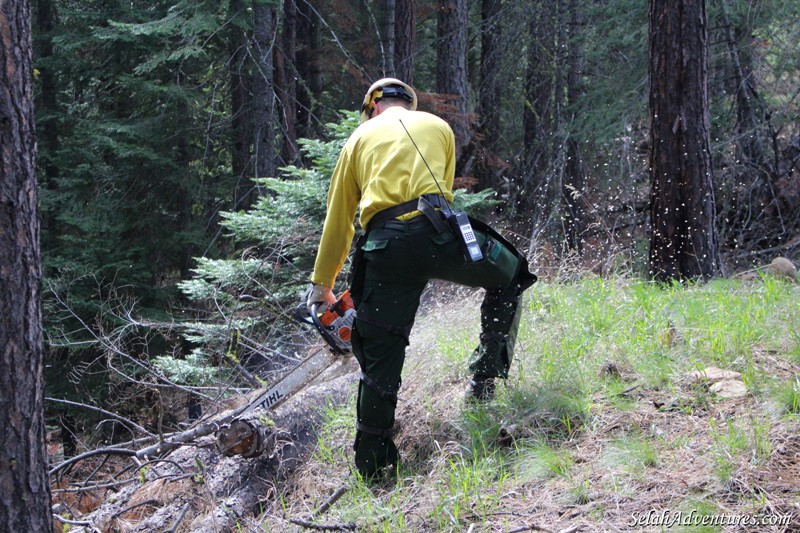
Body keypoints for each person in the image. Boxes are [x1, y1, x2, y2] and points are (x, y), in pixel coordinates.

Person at [305, 78, 536, 477]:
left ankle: (375, 471)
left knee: (379, 361)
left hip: (386, 247)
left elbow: (339, 220)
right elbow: (442, 194)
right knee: (511, 275)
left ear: (372, 107)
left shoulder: (357, 140)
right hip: (442, 236)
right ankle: (484, 382)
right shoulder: (439, 128)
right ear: (407, 104)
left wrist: (322, 286)